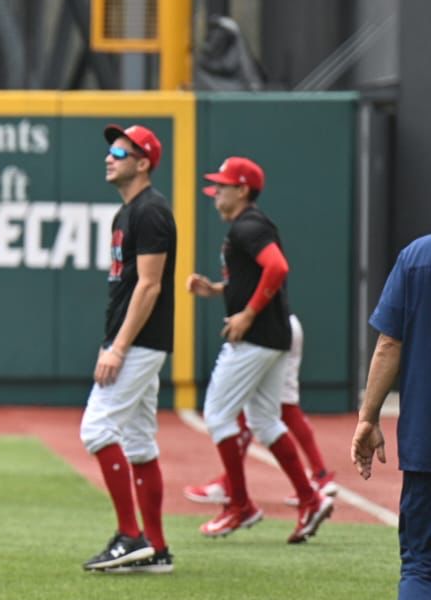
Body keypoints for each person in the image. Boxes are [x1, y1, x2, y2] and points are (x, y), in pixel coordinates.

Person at [189, 156, 333, 543]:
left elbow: (278, 268)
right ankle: (309, 498)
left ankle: (239, 505)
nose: (215, 192)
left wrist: (247, 315)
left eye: (222, 185)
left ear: (242, 189)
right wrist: (217, 291)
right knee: (267, 422)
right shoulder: (250, 225)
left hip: (256, 338)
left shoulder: (248, 225)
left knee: (218, 415)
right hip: (272, 337)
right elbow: (255, 274)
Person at [76, 125, 176, 574]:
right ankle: (155, 547)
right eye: (110, 149)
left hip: (137, 342)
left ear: (144, 162)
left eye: (121, 150)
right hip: (133, 339)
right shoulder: (129, 212)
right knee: (138, 443)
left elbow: (150, 286)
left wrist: (117, 347)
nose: (110, 156)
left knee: (96, 430)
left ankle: (129, 535)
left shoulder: (151, 211)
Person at [354, 235, 431, 600]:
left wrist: (368, 417)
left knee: (421, 564)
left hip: (426, 446)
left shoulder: (417, 255)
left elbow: (389, 342)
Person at [182, 313, 339, 507]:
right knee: (278, 407)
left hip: (264, 327)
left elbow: (264, 284)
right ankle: (318, 475)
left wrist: (244, 313)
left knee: (244, 410)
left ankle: (231, 486)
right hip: (275, 324)